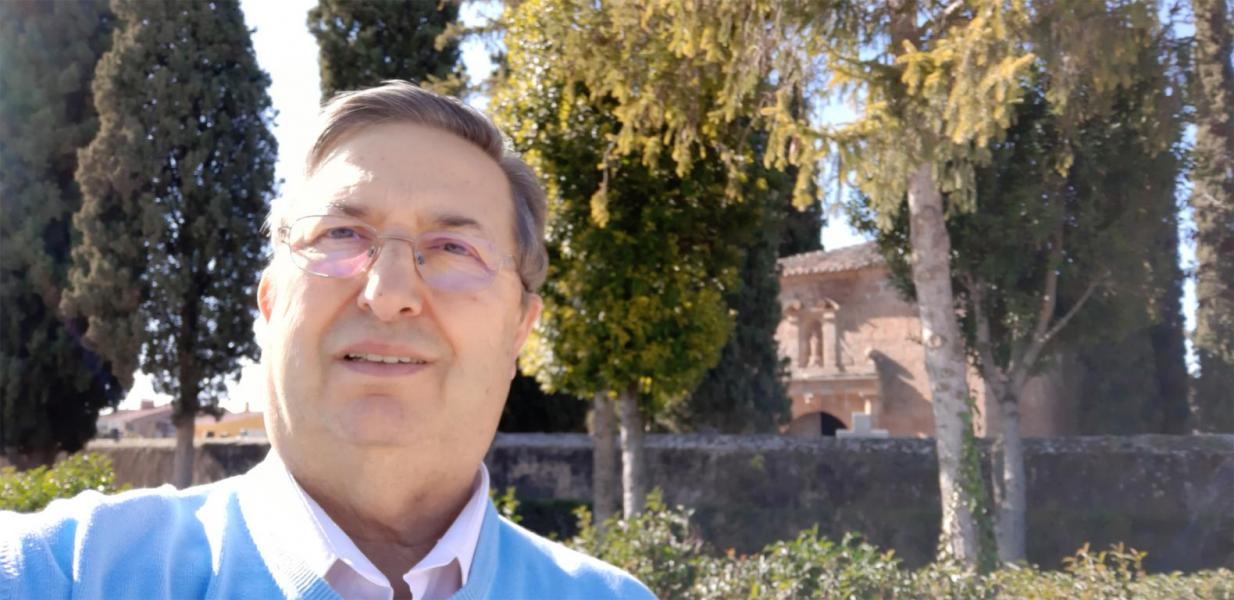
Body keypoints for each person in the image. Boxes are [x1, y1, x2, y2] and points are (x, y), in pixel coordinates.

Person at [0, 81, 655, 600]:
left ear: (519, 328)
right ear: (270, 303)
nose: (388, 292)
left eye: (453, 247)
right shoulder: (64, 573)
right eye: (341, 234)